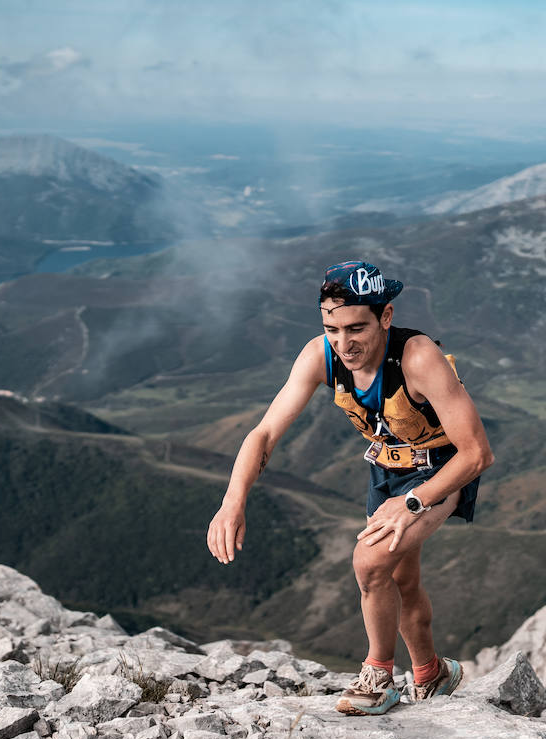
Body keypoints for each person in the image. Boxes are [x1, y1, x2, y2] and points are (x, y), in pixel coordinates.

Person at [207, 260, 494, 715]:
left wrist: (413, 501)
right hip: (385, 471)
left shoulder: (418, 359)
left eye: (356, 328)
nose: (344, 343)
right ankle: (430, 673)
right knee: (402, 579)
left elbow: (477, 453)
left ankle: (377, 676)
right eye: (332, 328)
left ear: (386, 316)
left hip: (438, 470)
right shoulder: (321, 355)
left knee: (370, 562)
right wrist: (232, 501)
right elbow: (263, 434)